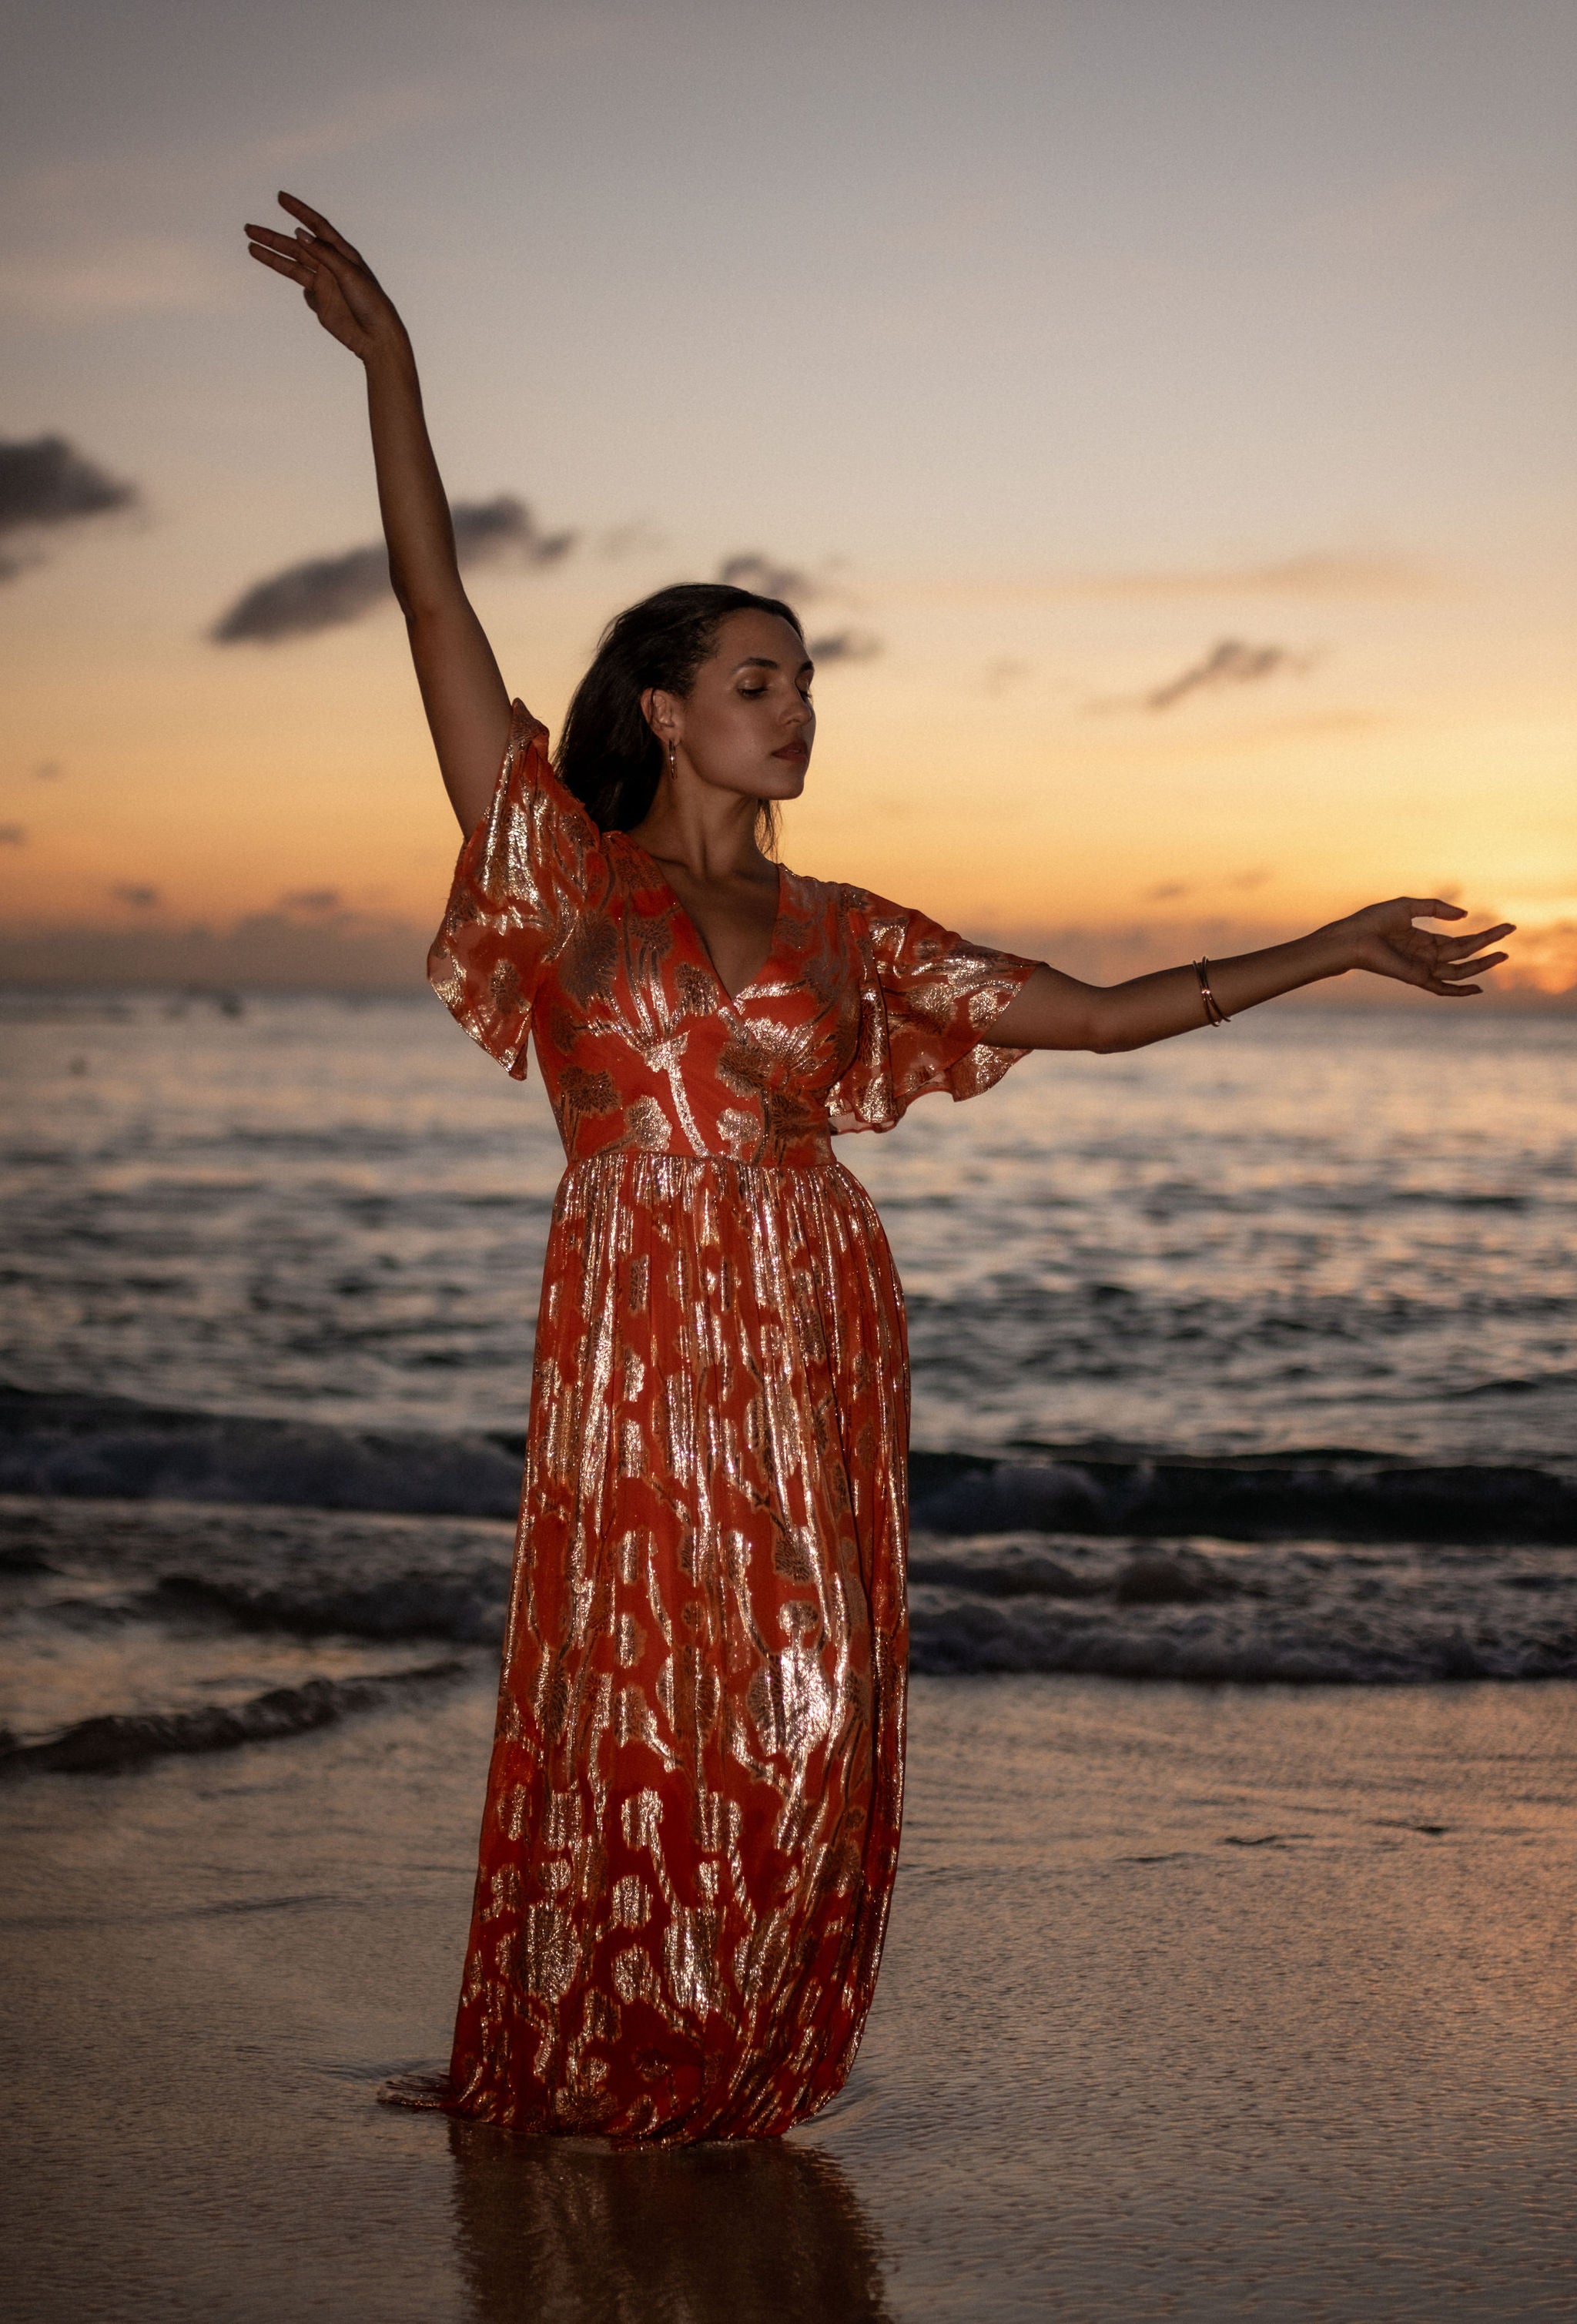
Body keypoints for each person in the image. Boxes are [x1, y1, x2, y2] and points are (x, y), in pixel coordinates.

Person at [244, 193, 1513, 2145]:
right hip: (638, 1317)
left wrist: (1333, 944)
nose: (797, 706)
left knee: (807, 1707)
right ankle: (606, 2040)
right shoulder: (559, 874)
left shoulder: (855, 933)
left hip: (814, 1318)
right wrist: (392, 365)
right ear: (665, 712)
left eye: (808, 679)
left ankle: (740, 2044)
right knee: (636, 1695)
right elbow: (435, 611)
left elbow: (1087, 1012)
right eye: (760, 680)